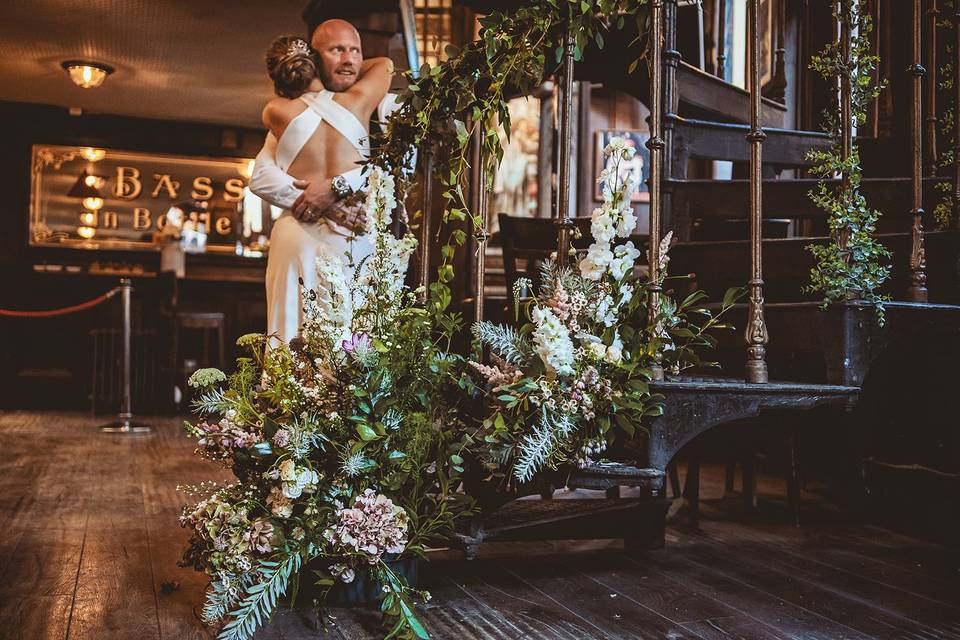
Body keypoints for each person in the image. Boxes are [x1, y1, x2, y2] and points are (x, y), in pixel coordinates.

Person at [257, 24, 394, 344]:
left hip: (298, 230)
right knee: (354, 335)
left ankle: (285, 392)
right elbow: (385, 64)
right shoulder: (361, 99)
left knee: (290, 330)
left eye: (354, 51)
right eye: (337, 51)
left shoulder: (275, 111)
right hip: (352, 228)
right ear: (316, 60)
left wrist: (328, 192)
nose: (349, 60)